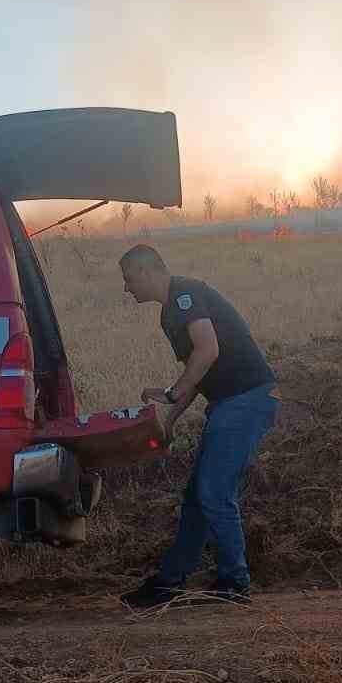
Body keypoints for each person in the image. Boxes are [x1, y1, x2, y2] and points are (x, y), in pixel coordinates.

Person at [117, 245, 280, 608]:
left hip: (248, 398)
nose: (127, 289)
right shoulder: (168, 315)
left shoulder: (186, 293)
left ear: (145, 271)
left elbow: (208, 351)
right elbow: (196, 372)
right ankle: (170, 581)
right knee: (197, 499)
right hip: (227, 403)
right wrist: (170, 420)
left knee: (213, 494)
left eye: (128, 279)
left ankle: (235, 582)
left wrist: (172, 396)